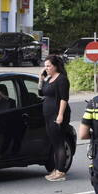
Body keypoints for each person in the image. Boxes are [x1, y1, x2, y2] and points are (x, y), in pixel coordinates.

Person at [39, 53, 71, 181]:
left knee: (59, 143)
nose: (46, 68)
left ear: (56, 66)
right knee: (53, 142)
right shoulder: (49, 79)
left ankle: (61, 171)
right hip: (48, 114)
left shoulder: (62, 79)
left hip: (57, 114)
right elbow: (40, 93)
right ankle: (56, 168)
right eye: (45, 66)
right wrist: (41, 78)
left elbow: (64, 99)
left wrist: (60, 115)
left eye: (49, 66)